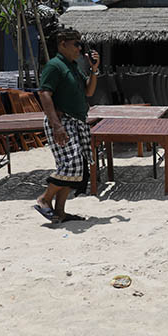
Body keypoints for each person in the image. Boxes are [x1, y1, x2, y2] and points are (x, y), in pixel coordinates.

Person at [35, 30, 100, 223]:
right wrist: (57, 126)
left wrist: (94, 70)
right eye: (76, 44)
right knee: (73, 165)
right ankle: (44, 199)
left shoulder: (71, 66)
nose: (80, 48)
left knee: (73, 169)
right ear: (63, 44)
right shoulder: (54, 66)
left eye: (81, 45)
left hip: (76, 122)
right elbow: (44, 94)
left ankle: (60, 212)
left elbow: (89, 91)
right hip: (62, 123)